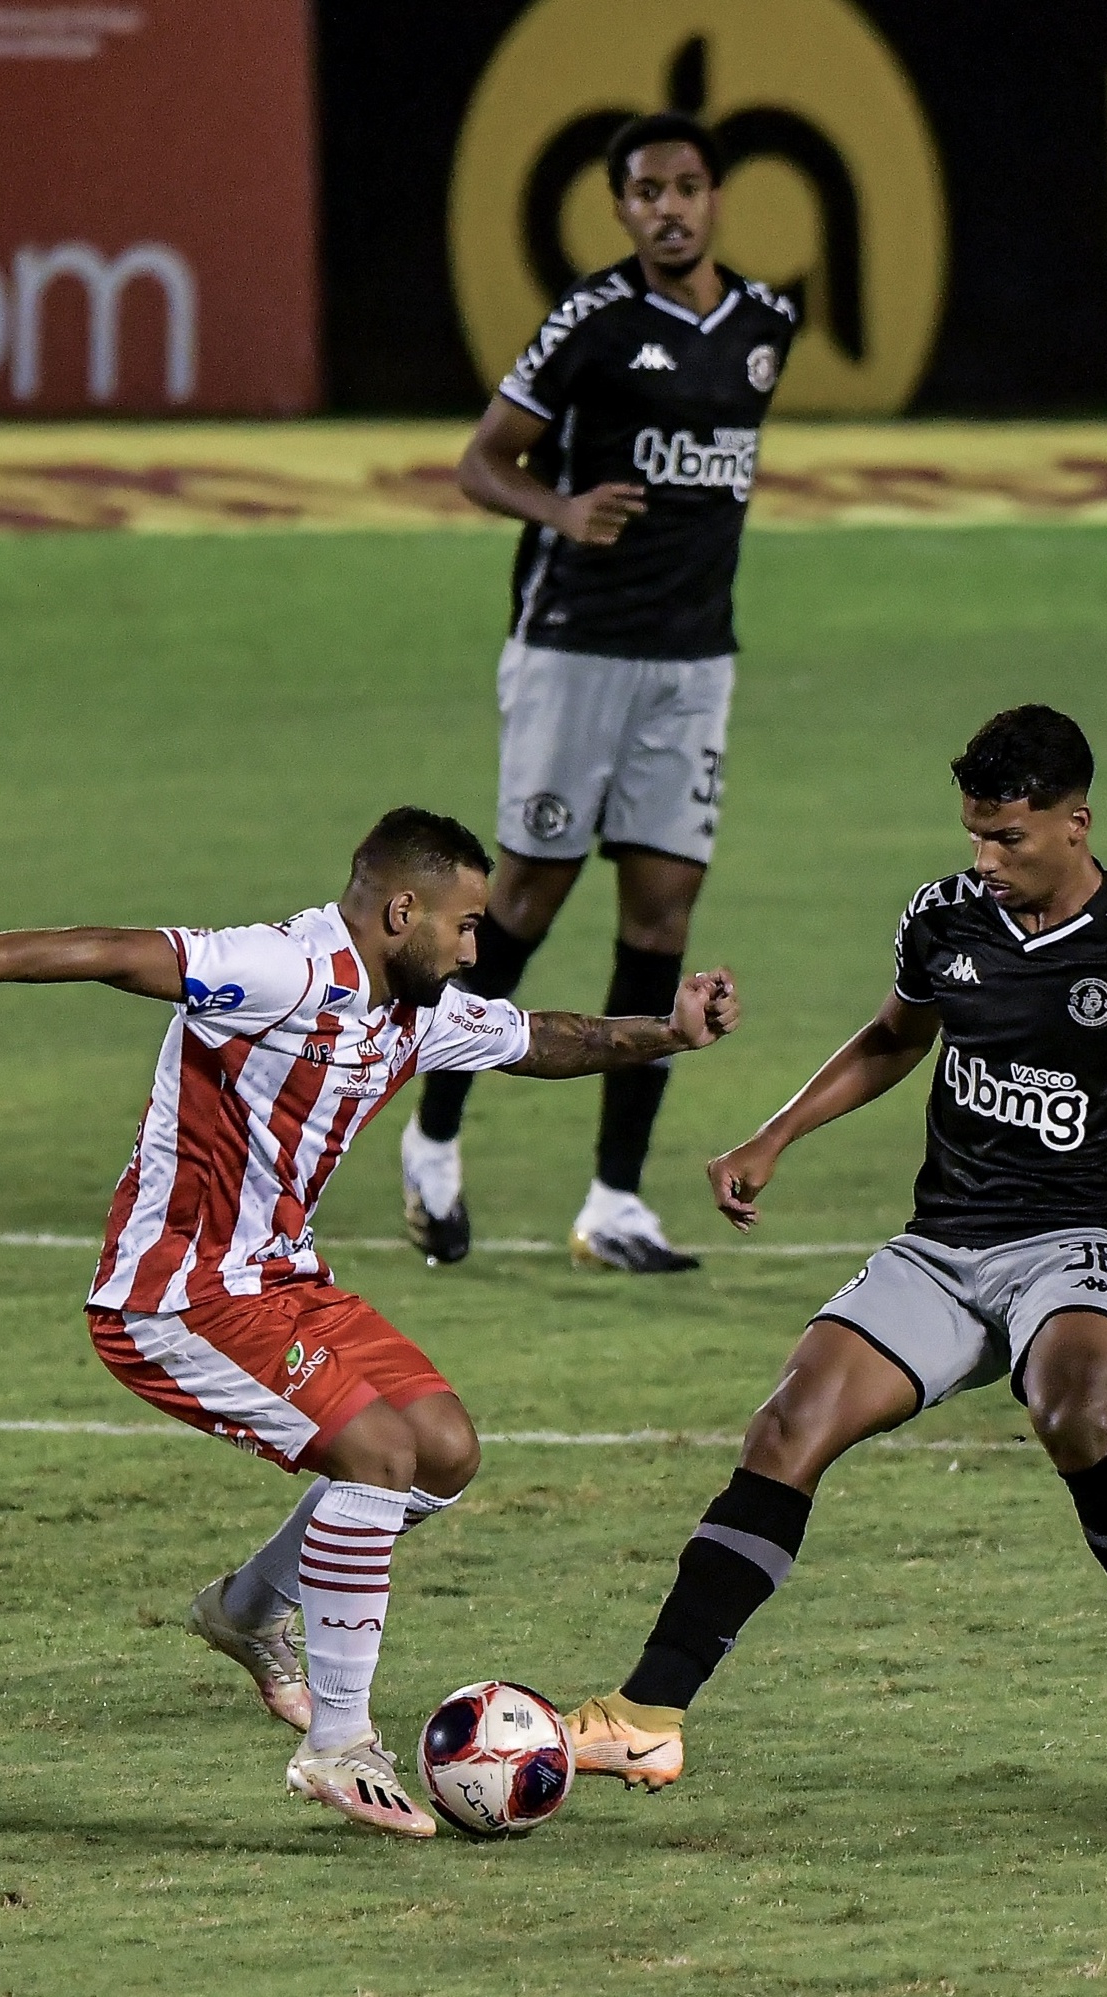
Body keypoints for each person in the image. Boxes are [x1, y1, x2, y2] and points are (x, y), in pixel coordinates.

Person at [557, 707, 1107, 1808]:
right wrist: (771, 1135)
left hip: (1091, 1240)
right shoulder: (944, 918)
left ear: (1076, 823)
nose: (983, 860)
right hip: (946, 1239)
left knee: (1073, 1411)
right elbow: (890, 1037)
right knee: (786, 1425)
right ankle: (647, 1713)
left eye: (1007, 838)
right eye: (973, 834)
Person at [0, 808, 742, 1838]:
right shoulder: (282, 970)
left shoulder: (415, 1008)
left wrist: (670, 1030)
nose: (476, 945)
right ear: (401, 909)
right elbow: (121, 952)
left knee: (443, 1451)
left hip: (285, 1282)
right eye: (466, 924)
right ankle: (338, 1740)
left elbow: (543, 1038)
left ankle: (247, 1608)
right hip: (176, 1294)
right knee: (377, 1452)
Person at [401, 110, 798, 1275]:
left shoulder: (769, 323)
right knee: (524, 901)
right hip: (573, 647)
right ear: (620, 208)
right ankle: (431, 1137)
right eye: (644, 192)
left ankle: (614, 1199)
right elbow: (482, 461)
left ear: (715, 195)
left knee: (662, 919)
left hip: (693, 662)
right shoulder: (590, 319)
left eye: (685, 187)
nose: (667, 208)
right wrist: (564, 511)